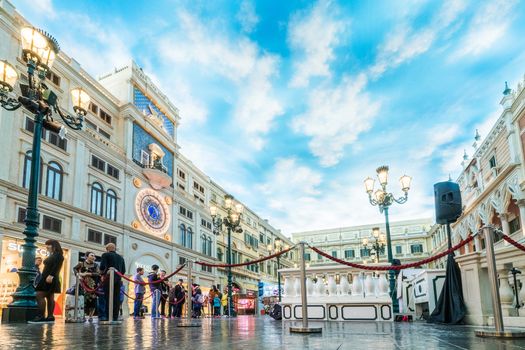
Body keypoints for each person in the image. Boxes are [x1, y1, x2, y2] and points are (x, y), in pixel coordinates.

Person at [29, 239, 64, 323]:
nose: (47, 246)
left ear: (54, 246)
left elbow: (57, 266)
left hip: (49, 278)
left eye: (48, 245)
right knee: (49, 296)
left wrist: (51, 276)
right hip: (48, 278)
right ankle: (50, 317)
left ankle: (40, 316)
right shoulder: (54, 255)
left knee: (39, 295)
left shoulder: (58, 255)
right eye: (46, 245)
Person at [99, 243, 126, 322]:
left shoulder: (105, 255)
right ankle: (115, 317)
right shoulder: (121, 258)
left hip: (108, 279)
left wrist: (102, 274)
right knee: (116, 298)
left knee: (107, 298)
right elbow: (123, 271)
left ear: (107, 249)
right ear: (115, 248)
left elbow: (102, 267)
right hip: (118, 280)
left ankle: (108, 317)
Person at [73, 251, 100, 322]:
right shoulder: (81, 264)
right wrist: (78, 275)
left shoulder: (96, 265)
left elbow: (98, 273)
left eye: (94, 256)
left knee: (93, 302)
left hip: (92, 286)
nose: (94, 257)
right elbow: (74, 269)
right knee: (83, 300)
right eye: (92, 255)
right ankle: (83, 315)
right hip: (83, 285)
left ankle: (91, 316)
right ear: (86, 256)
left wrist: (88, 274)